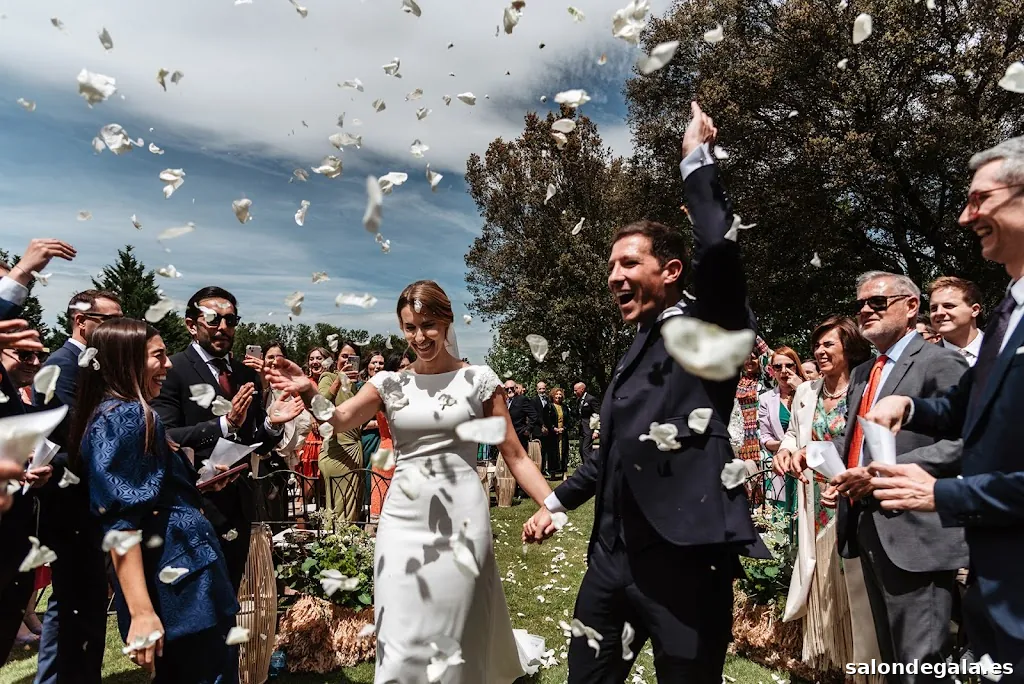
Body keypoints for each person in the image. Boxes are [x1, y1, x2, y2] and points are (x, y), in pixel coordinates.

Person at [525, 103, 770, 683]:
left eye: (629, 263)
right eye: (611, 265)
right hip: (609, 564)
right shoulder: (634, 348)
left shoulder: (711, 326)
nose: (614, 275)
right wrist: (553, 505)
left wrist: (696, 162)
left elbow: (719, 250)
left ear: (673, 271)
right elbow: (611, 453)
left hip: (685, 562)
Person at [266, 279, 551, 682]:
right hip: (403, 517)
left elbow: (515, 454)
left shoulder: (479, 380)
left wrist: (551, 505)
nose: (419, 337)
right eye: (410, 327)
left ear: (447, 322)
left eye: (428, 325)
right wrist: (311, 391)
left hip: (461, 515)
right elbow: (341, 419)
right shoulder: (389, 383)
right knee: (398, 621)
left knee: (457, 620)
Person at [865, 136, 1024, 676]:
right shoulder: (1009, 310)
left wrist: (941, 493)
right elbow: (967, 403)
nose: (964, 216)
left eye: (981, 199)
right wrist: (911, 408)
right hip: (994, 580)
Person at [68, 318, 239, 683]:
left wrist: (197, 486)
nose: (168, 364)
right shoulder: (129, 415)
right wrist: (142, 613)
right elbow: (122, 521)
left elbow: (146, 493)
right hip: (184, 590)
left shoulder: (110, 412)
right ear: (126, 360)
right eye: (158, 356)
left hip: (180, 577)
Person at [826, 272, 969, 684]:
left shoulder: (940, 362)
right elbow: (856, 441)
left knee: (921, 666)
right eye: (860, 305)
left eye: (877, 302)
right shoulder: (863, 373)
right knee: (893, 661)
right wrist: (817, 457)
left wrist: (882, 474)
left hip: (917, 534)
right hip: (867, 526)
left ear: (910, 307)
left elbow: (967, 441)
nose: (865, 311)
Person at [151, 286, 303, 590]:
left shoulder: (245, 375)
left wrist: (272, 424)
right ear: (191, 324)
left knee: (229, 596)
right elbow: (165, 434)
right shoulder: (173, 370)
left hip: (238, 506)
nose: (223, 327)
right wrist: (224, 424)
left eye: (230, 320)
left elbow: (254, 440)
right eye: (213, 319)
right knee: (195, 599)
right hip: (192, 505)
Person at [773, 316, 875, 675]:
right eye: (816, 345)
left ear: (850, 348)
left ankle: (864, 666)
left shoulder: (867, 388)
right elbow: (793, 432)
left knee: (854, 584)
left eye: (828, 344)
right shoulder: (806, 393)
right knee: (821, 579)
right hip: (814, 499)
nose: (819, 351)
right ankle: (832, 658)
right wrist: (785, 450)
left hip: (854, 500)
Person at [32, 289, 122, 684]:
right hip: (70, 505)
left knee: (85, 603)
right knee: (72, 603)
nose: (118, 328)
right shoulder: (62, 366)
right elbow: (72, 439)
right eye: (109, 320)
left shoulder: (96, 366)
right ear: (81, 322)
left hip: (91, 504)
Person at [246, 342, 312, 522]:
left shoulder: (288, 385)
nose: (274, 361)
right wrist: (262, 378)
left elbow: (303, 420)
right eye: (270, 357)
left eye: (279, 357)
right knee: (261, 508)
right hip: (259, 455)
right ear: (262, 359)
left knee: (278, 508)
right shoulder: (254, 383)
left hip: (281, 453)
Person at [317, 343, 363, 522]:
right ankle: (333, 539)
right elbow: (320, 405)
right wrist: (338, 381)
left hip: (355, 450)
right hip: (337, 450)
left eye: (352, 358)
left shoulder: (356, 387)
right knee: (338, 510)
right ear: (336, 358)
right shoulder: (327, 377)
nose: (348, 361)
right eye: (344, 356)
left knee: (352, 510)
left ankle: (346, 540)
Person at [758, 346, 806, 509]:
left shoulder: (811, 390)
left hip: (808, 464)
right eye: (778, 367)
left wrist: (801, 389)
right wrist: (786, 446)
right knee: (784, 516)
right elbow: (765, 438)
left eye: (789, 365)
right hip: (782, 467)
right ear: (772, 371)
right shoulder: (766, 399)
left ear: (796, 367)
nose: (784, 371)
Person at [928, 276, 985, 365]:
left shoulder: (1001, 348)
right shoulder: (923, 360)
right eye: (934, 308)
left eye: (949, 306)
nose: (939, 313)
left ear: (974, 310)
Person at [504, 378, 537, 451]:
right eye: (507, 389)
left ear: (516, 388)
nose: (509, 390)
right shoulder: (505, 402)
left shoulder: (522, 399)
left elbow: (534, 415)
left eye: (511, 388)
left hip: (520, 436)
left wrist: (528, 429)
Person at [544, 386, 569, 478]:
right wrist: (553, 428)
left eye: (560, 394)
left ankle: (564, 473)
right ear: (553, 395)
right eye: (556, 394)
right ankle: (553, 473)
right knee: (553, 453)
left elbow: (569, 420)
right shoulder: (548, 407)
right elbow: (546, 419)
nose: (558, 396)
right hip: (552, 434)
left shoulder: (565, 407)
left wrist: (564, 428)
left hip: (563, 434)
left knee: (564, 453)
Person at [572, 382, 600, 464]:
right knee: (581, 450)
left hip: (590, 428)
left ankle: (590, 469)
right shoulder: (579, 400)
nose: (574, 392)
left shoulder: (591, 399)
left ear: (582, 389)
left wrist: (596, 431)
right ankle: (586, 467)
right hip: (582, 429)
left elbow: (598, 414)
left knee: (586, 449)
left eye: (576, 390)